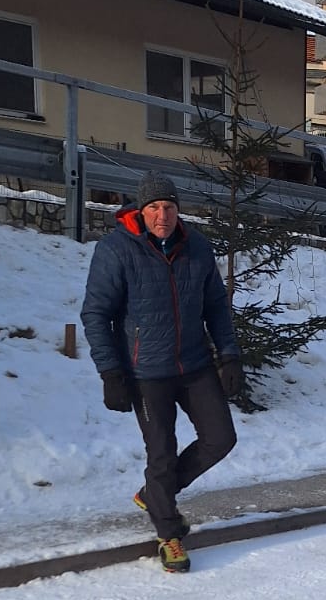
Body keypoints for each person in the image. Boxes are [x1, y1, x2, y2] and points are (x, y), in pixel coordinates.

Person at [81, 171, 243, 574]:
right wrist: (111, 372)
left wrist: (230, 355)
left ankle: (157, 494)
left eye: (169, 207)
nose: (162, 215)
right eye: (154, 207)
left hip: (193, 364)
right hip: (145, 372)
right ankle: (169, 534)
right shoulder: (117, 249)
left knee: (221, 438)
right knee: (162, 453)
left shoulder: (197, 248)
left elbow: (216, 309)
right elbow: (96, 313)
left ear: (177, 209)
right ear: (141, 210)